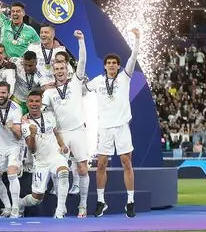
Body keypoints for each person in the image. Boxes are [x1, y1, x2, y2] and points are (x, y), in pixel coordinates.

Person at [86, 28, 140, 218]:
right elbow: (82, 86)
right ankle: (101, 201)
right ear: (104, 66)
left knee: (126, 162)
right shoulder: (97, 81)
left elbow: (133, 58)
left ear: (118, 66)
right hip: (104, 127)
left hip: (122, 126)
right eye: (108, 63)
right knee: (101, 164)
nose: (111, 65)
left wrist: (137, 39)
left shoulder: (125, 77)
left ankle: (131, 202)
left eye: (114, 63)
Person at [43, 30, 90, 217]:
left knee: (82, 168)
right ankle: (60, 208)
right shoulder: (48, 92)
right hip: (61, 134)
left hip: (78, 131)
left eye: (62, 69)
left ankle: (83, 206)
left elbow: (83, 62)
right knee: (61, 171)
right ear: (53, 71)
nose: (60, 71)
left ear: (67, 70)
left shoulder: (75, 83)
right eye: (57, 69)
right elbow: (43, 114)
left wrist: (81, 41)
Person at [18, 90, 70, 219]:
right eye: (31, 101)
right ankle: (19, 204)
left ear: (41, 102)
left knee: (63, 173)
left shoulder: (49, 116)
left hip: (55, 156)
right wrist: (32, 135)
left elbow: (56, 132)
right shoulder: (25, 123)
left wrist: (62, 145)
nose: (34, 104)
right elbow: (32, 150)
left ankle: (60, 210)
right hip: (41, 161)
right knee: (37, 199)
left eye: (37, 101)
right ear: (27, 103)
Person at [0, 81, 24, 217]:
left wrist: (12, 127)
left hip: (15, 145)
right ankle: (7, 207)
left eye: (3, 93)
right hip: (1, 147)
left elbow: (19, 135)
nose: (0, 95)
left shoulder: (16, 108)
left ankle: (16, 209)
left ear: (8, 94)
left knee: (11, 173)